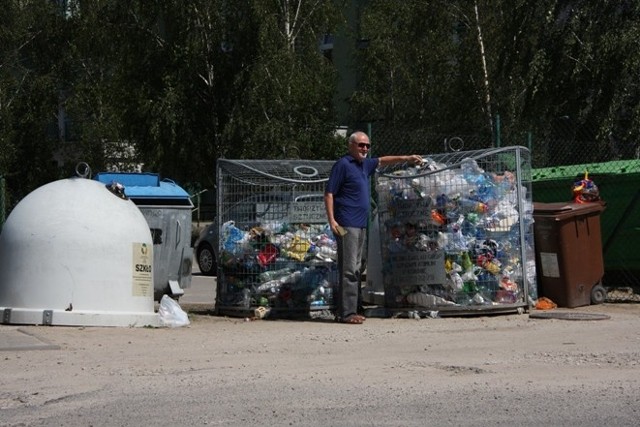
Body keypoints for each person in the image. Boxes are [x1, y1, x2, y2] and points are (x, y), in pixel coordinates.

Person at [324, 131, 423, 324]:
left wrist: (406, 158)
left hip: (361, 224)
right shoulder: (343, 164)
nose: (365, 149)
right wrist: (332, 221)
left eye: (367, 146)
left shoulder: (364, 165)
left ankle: (355, 307)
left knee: (358, 266)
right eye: (361, 145)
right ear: (351, 145)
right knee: (349, 268)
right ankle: (346, 313)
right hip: (346, 224)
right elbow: (329, 193)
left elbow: (382, 161)